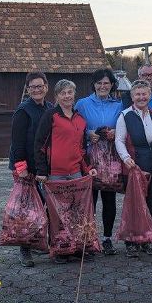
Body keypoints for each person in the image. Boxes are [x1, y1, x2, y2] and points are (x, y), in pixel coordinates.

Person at [33, 79, 98, 263]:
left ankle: (77, 247)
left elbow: (82, 148)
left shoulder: (80, 118)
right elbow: (39, 144)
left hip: (76, 173)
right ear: (57, 96)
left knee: (76, 211)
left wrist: (89, 168)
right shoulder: (50, 116)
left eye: (70, 92)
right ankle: (60, 250)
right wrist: (42, 171)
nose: (67, 96)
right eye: (63, 93)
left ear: (74, 94)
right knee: (58, 214)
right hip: (55, 174)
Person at [74, 69, 124, 256]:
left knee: (109, 200)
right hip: (90, 160)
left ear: (112, 85)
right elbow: (75, 127)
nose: (102, 86)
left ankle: (107, 238)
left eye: (106, 83)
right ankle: (89, 238)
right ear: (93, 84)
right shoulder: (82, 104)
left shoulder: (118, 105)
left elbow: (123, 129)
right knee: (90, 200)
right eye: (99, 83)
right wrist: (88, 134)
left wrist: (114, 133)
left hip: (110, 160)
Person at [8, 72, 52, 267]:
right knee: (26, 210)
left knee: (44, 207)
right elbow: (17, 143)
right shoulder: (23, 111)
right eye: (33, 87)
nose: (37, 90)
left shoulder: (50, 108)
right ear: (27, 89)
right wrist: (21, 168)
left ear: (46, 87)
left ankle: (39, 243)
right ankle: (25, 250)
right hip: (26, 168)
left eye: (40, 86)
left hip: (43, 167)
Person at [115, 80, 152, 257]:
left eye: (144, 94)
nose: (141, 97)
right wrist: (126, 158)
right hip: (134, 167)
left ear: (149, 95)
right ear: (132, 96)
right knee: (134, 206)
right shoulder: (125, 115)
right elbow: (119, 140)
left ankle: (148, 240)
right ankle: (131, 242)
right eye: (137, 94)